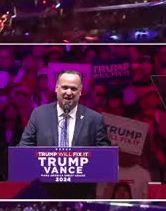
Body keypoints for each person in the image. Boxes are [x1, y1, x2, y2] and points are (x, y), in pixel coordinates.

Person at [18, 70, 112, 198]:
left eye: (73, 89)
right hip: (45, 188)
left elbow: (103, 153)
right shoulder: (39, 114)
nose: (69, 92)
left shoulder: (94, 119)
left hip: (81, 190)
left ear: (80, 92)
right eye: (65, 87)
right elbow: (24, 147)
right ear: (56, 88)